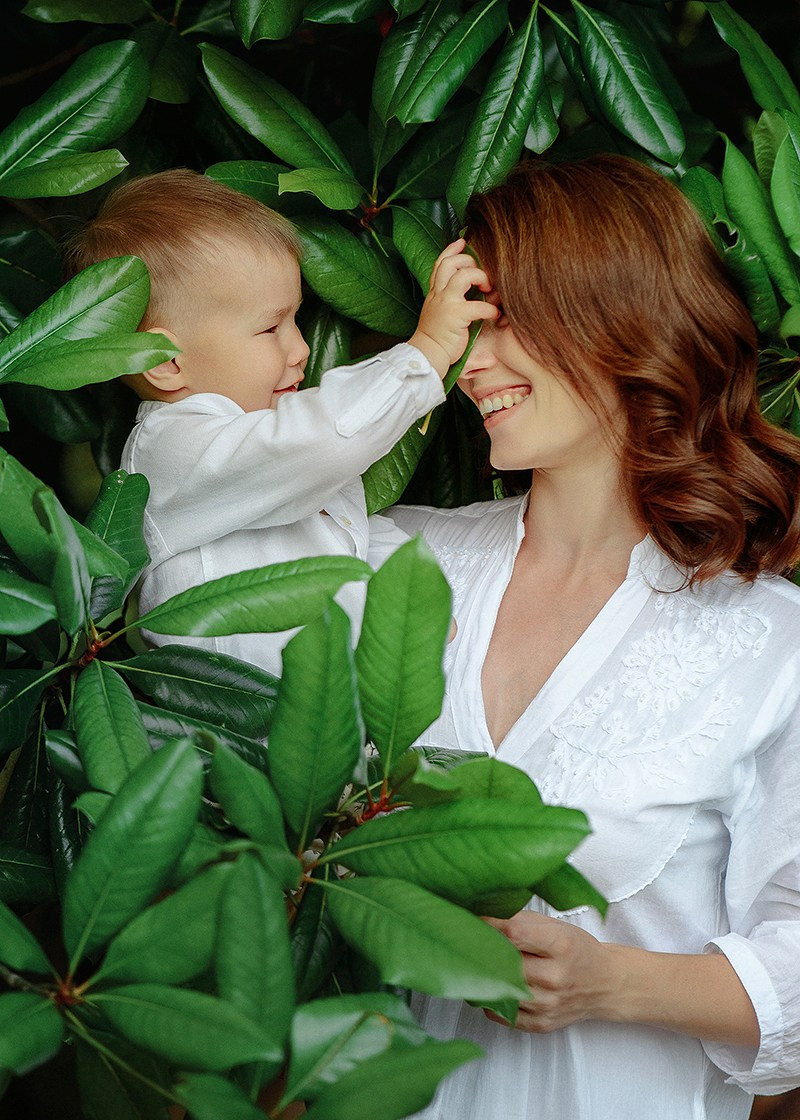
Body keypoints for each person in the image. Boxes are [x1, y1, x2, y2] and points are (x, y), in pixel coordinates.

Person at [386, 154, 800, 1120]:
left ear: (610, 311)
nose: (469, 365)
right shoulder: (394, 561)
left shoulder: (769, 648)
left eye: (499, 322)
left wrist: (609, 981)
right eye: (463, 332)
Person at [63, 169, 496, 676]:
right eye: (271, 327)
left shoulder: (257, 442)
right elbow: (325, 443)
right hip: (244, 737)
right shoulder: (173, 448)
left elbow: (344, 531)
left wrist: (413, 593)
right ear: (165, 360)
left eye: (296, 319)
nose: (302, 350)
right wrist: (425, 353)